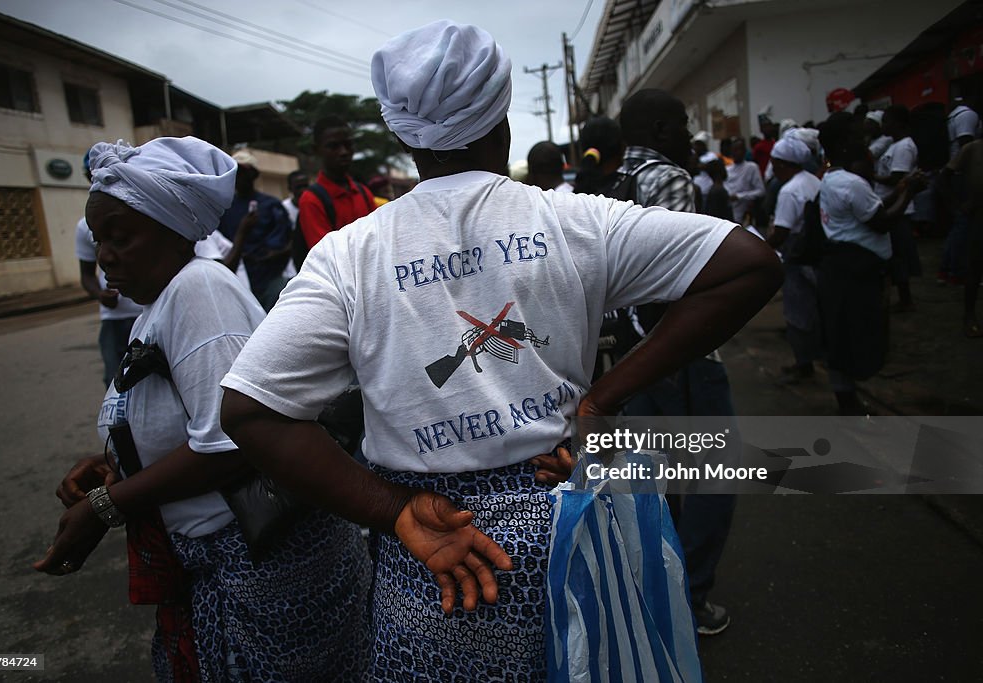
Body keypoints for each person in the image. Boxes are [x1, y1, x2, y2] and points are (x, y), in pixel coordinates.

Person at [220, 21, 781, 681]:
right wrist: (604, 394)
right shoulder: (577, 220)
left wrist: (393, 510)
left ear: (403, 134)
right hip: (567, 529)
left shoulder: (349, 255)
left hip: (434, 555)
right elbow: (751, 262)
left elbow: (247, 407)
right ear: (502, 118)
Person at [34, 136, 371, 682]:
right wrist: (115, 465)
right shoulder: (162, 302)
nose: (105, 257)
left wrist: (106, 505)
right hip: (230, 564)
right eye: (100, 241)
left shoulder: (198, 291)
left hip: (264, 569)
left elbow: (236, 441)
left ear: (172, 231)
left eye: (121, 237)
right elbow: (178, 418)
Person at [617, 88, 743, 636]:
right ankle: (688, 599)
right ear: (664, 131)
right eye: (686, 124)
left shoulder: (610, 184)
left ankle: (651, 596)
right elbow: (678, 279)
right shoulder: (667, 179)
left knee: (650, 479)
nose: (692, 136)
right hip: (680, 355)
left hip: (632, 355)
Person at [817, 112, 925, 414]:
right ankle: (848, 404)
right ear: (842, 143)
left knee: (847, 335)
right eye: (855, 136)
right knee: (851, 336)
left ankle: (848, 397)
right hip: (853, 272)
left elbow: (873, 210)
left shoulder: (834, 179)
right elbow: (881, 221)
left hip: (849, 269)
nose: (863, 142)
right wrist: (910, 193)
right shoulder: (850, 183)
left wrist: (901, 190)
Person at [766, 135, 823, 383]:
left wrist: (759, 245)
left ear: (784, 164)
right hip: (816, 254)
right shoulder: (813, 180)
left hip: (797, 255)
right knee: (817, 307)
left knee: (797, 312)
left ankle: (804, 365)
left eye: (775, 163)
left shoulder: (789, 191)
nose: (773, 169)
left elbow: (780, 233)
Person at [216, 150, 293, 311]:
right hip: (237, 282)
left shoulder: (271, 205)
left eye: (243, 172)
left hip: (269, 281)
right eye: (235, 172)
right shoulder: (225, 208)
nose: (239, 177)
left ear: (254, 174)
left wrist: (262, 257)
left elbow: (284, 243)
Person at [76, 216, 143, 386]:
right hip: (114, 320)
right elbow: (87, 275)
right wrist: (100, 295)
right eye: (98, 242)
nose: (105, 257)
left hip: (147, 311)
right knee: (115, 381)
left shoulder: (142, 214)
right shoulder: (85, 226)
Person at [297, 115, 376, 251]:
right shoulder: (311, 200)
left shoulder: (363, 192)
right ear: (316, 150)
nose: (344, 152)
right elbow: (325, 255)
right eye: (333, 146)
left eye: (348, 144)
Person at [874, 105, 921, 311]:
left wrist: (869, 175)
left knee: (899, 254)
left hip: (899, 206)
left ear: (898, 124)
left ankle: (906, 299)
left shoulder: (903, 147)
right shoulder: (893, 145)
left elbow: (897, 178)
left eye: (886, 121)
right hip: (892, 203)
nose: (883, 125)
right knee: (896, 254)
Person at [940, 137, 983, 337]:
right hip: (978, 216)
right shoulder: (972, 148)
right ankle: (969, 316)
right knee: (974, 266)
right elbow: (945, 177)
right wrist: (956, 205)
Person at [725, 136, 766, 226]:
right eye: (734, 150)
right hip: (729, 213)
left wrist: (740, 196)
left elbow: (761, 191)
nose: (736, 153)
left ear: (744, 151)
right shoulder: (727, 169)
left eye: (739, 149)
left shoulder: (751, 167)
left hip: (745, 212)